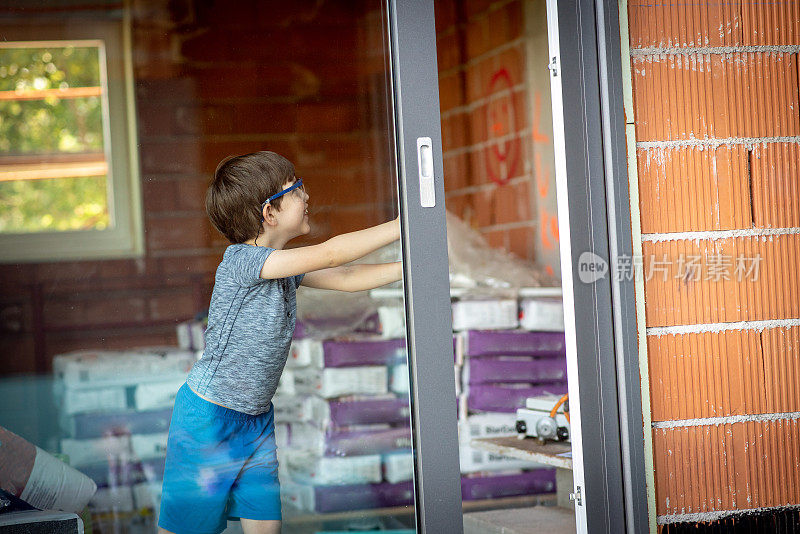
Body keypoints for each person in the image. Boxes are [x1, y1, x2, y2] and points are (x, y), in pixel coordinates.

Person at [158, 151, 402, 534]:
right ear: (269, 213)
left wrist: (416, 261)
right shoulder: (242, 261)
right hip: (208, 418)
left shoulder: (282, 266)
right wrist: (406, 225)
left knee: (266, 528)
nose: (307, 197)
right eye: (297, 189)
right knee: (187, 531)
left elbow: (347, 274)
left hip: (255, 419)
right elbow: (331, 253)